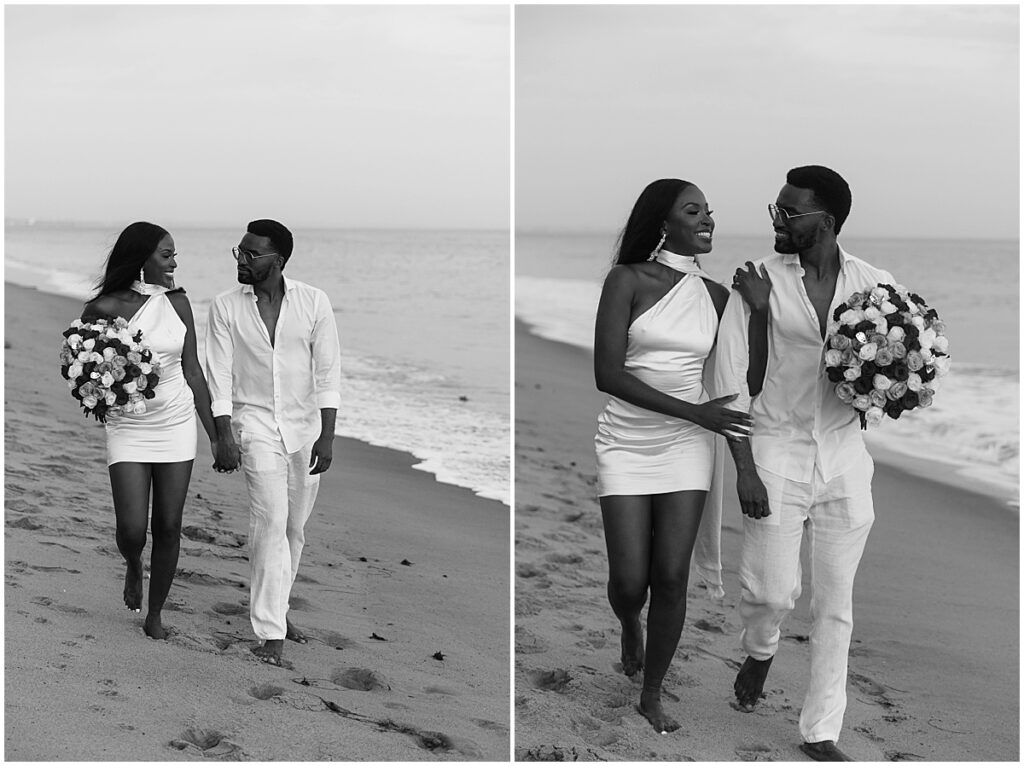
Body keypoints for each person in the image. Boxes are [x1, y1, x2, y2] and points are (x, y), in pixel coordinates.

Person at [716, 166, 896, 762]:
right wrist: (743, 466)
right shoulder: (757, 282)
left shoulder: (876, 286)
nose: (779, 221)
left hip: (845, 458)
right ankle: (761, 647)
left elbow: (895, 369)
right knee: (770, 592)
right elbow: (731, 384)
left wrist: (890, 387)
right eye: (777, 209)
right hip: (774, 452)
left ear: (828, 221)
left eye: (791, 213)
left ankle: (821, 731)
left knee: (835, 605)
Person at [593, 179, 754, 733]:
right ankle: (628, 623)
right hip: (627, 441)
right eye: (693, 210)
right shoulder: (627, 280)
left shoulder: (717, 298)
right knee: (630, 583)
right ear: (664, 222)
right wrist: (695, 413)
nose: (707, 219)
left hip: (688, 447)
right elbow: (607, 375)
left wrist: (751, 312)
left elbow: (743, 380)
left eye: (709, 210)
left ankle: (652, 692)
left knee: (671, 576)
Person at [80, 221, 228, 640]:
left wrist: (217, 434)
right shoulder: (103, 309)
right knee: (131, 529)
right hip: (128, 425)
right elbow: (88, 370)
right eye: (167, 255)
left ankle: (155, 614)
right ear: (142, 258)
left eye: (174, 254)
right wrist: (100, 394)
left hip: (177, 421)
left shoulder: (178, 303)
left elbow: (192, 369)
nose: (174, 262)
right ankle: (132, 564)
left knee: (168, 525)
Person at [204, 219, 341, 667]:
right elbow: (219, 374)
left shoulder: (314, 302)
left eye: (251, 254)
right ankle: (270, 633)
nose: (241, 260)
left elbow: (327, 373)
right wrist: (222, 433)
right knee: (269, 524)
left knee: (294, 529)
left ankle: (278, 612)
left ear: (277, 261)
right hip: (255, 425)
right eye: (238, 252)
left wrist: (328, 435)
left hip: (304, 430)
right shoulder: (225, 307)